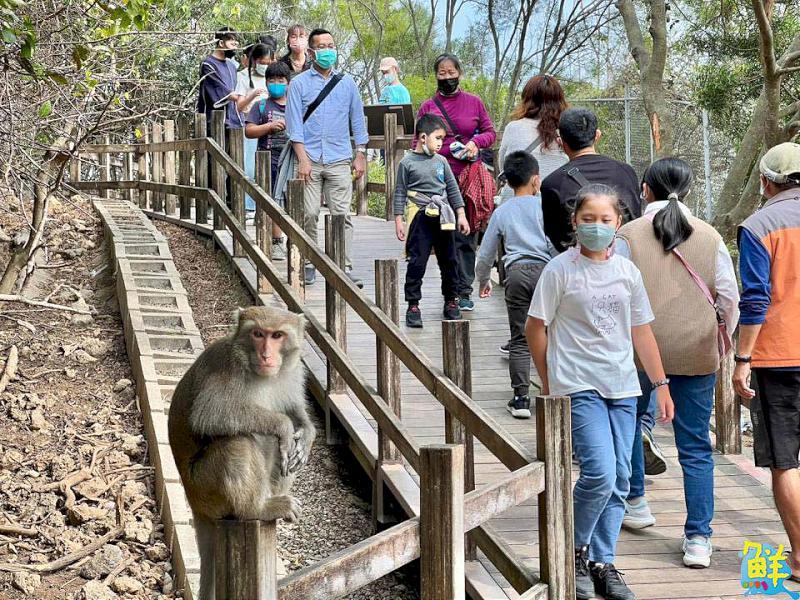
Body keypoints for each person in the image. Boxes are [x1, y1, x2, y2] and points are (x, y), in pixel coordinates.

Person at [527, 184, 674, 600]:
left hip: (623, 386)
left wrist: (660, 385)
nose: (595, 227)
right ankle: (571, 551)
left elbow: (641, 331)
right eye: (587, 219)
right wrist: (548, 381)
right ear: (574, 222)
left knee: (623, 480)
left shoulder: (628, 272)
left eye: (604, 220)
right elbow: (535, 327)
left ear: (618, 224)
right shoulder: (559, 270)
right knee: (600, 472)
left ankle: (601, 562)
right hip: (578, 384)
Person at [615, 158, 739, 568]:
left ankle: (636, 502)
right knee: (696, 446)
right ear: (687, 190)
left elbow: (615, 294)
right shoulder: (709, 236)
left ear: (644, 189)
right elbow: (729, 298)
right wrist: (720, 341)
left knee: (631, 424)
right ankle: (699, 538)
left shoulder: (627, 235)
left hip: (638, 351)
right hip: (695, 351)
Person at [733, 142, 800, 580]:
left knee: (785, 460)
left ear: (765, 182)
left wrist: (742, 358)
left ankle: (798, 556)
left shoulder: (759, 225)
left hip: (779, 357)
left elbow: (755, 300)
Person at [285, 28, 369, 288]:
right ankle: (309, 262)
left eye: (331, 45)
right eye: (321, 46)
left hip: (339, 157)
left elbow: (357, 119)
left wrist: (361, 153)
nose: (327, 50)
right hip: (310, 157)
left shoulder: (347, 84)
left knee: (341, 215)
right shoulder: (298, 84)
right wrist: (302, 159)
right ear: (311, 52)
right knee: (309, 213)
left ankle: (343, 266)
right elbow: (293, 124)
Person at [475, 151, 552, 419]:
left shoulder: (503, 211)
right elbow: (554, 245)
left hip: (516, 273)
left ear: (507, 182)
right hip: (546, 272)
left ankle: (521, 399)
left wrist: (484, 280)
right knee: (549, 333)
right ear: (536, 180)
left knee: (520, 338)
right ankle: (551, 391)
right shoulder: (544, 207)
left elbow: (485, 253)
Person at [417, 53, 496, 313]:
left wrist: (475, 144)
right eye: (442, 73)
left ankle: (464, 290)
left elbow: (490, 133)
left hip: (469, 177)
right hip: (439, 179)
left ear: (460, 74)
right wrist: (447, 149)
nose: (447, 77)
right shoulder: (429, 106)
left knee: (466, 235)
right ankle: (450, 291)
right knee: (444, 237)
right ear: (436, 75)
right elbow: (417, 142)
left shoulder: (474, 102)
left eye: (452, 73)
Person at [393, 113, 470, 326]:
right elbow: (399, 191)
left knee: (449, 259)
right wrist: (399, 219)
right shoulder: (407, 163)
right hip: (419, 214)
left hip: (444, 215)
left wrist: (461, 215)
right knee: (417, 260)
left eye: (442, 139)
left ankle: (451, 300)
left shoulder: (442, 161)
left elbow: (453, 189)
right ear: (423, 137)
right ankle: (413, 303)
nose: (440, 144)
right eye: (438, 138)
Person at [541, 108, 641, 253]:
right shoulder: (627, 172)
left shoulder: (553, 183)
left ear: (560, 142)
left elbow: (555, 236)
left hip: (574, 266)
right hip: (622, 256)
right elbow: (635, 220)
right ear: (597, 136)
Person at [245, 61, 292, 261]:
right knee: (272, 200)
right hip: (268, 159)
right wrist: (269, 127)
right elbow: (249, 130)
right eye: (271, 80)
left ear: (288, 82)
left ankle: (296, 243)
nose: (276, 83)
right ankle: (275, 241)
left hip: (291, 159)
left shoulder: (295, 105)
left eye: (280, 80)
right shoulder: (261, 105)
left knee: (291, 200)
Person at [497, 75, 568, 199]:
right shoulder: (566, 132)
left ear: (526, 99)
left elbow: (504, 165)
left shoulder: (514, 128)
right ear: (560, 101)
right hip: (553, 205)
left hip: (515, 202)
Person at [236, 43, 273, 213]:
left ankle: (268, 205)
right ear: (255, 60)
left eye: (267, 62)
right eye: (262, 62)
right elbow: (239, 106)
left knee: (269, 165)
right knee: (249, 167)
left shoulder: (272, 77)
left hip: (270, 123)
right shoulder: (243, 76)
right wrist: (254, 95)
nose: (264, 66)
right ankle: (249, 207)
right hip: (250, 122)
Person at [197, 27, 244, 131]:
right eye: (232, 44)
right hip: (214, 121)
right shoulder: (208, 64)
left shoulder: (231, 66)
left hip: (234, 121)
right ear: (221, 43)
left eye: (236, 45)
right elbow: (219, 90)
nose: (235, 48)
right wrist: (241, 97)